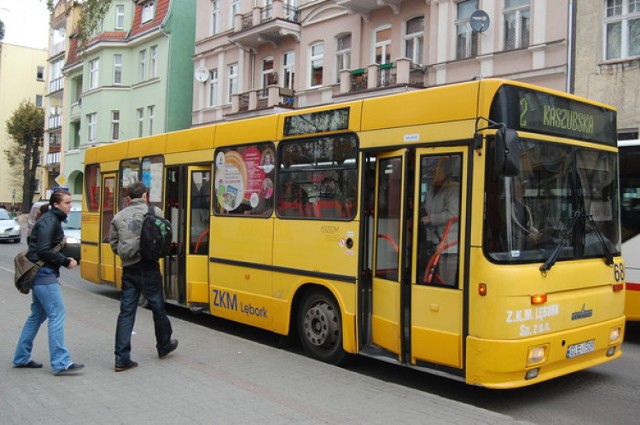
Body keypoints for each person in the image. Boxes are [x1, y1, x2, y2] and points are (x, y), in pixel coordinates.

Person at [13, 191, 84, 375]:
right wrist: (66, 261)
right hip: (43, 274)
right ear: (56, 204)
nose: (70, 206)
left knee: (37, 315)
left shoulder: (50, 219)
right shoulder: (49, 221)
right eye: (67, 203)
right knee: (57, 314)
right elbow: (44, 250)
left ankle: (21, 357)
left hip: (40, 273)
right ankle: (61, 362)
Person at [110, 181, 178, 372]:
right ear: (146, 196)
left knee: (126, 312)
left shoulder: (119, 216)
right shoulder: (155, 212)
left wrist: (126, 253)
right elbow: (164, 235)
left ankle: (121, 358)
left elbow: (114, 244)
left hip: (129, 269)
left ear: (128, 198)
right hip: (149, 267)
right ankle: (164, 345)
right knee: (158, 307)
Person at [420, 157, 460, 286]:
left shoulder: (453, 189)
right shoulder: (432, 190)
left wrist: (432, 219)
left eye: (436, 169)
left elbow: (454, 214)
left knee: (446, 281)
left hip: (450, 244)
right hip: (434, 242)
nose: (433, 172)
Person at [510, 178, 542, 249]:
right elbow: (514, 226)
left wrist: (537, 233)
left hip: (526, 241)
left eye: (524, 187)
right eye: (519, 187)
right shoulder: (509, 206)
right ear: (513, 189)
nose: (523, 189)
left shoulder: (526, 207)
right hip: (516, 243)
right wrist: (529, 235)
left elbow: (530, 226)